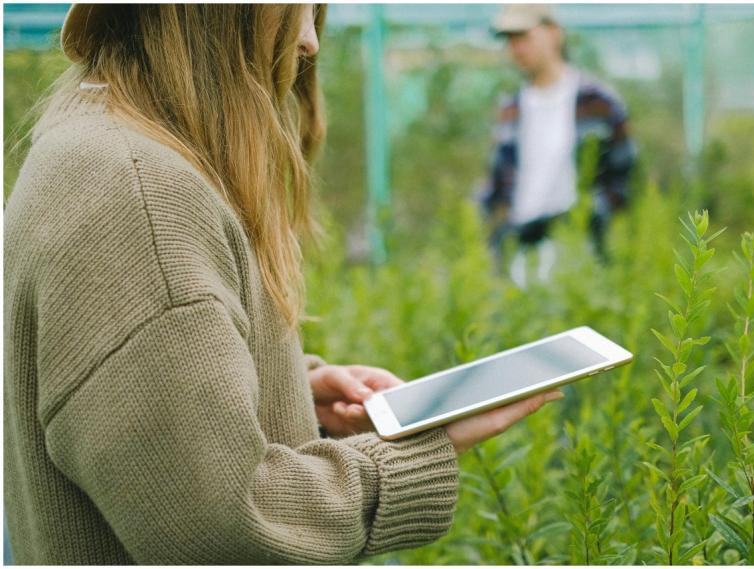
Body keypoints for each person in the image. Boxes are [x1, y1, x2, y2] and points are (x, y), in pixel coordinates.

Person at [3, 5, 565, 565]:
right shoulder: (138, 193)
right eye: (294, 10)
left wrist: (297, 393)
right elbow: (224, 527)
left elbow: (132, 391)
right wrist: (413, 454)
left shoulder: (96, 152)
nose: (309, 42)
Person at [481, 4, 637, 284]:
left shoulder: (598, 104)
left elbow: (623, 180)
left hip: (581, 251)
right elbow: (496, 185)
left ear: (553, 33)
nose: (516, 48)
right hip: (520, 255)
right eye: (510, 40)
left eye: (523, 36)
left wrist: (583, 220)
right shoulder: (511, 109)